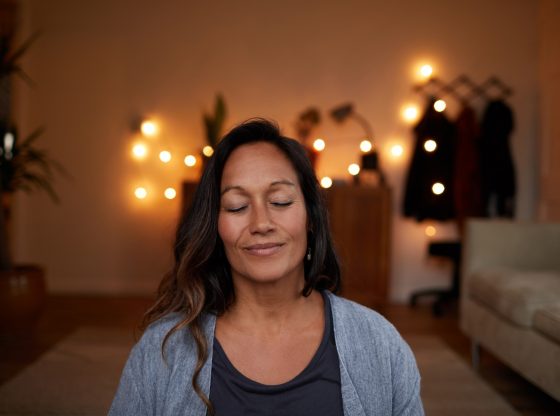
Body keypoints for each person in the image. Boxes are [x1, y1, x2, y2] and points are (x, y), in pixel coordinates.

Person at [109, 119, 424, 416]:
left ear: (311, 218)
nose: (261, 223)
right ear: (214, 227)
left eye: (281, 201)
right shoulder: (163, 349)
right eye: (237, 206)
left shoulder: (379, 343)